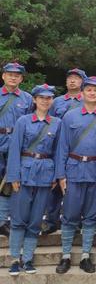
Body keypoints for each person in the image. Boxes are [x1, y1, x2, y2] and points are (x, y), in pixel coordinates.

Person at [55, 76, 96, 274]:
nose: (92, 93)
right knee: (70, 215)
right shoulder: (70, 117)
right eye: (89, 89)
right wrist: (60, 174)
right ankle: (65, 256)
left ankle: (86, 256)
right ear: (83, 92)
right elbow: (62, 147)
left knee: (91, 216)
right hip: (73, 170)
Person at [6, 85, 60, 276]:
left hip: (45, 174)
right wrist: (13, 176)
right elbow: (14, 149)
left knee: (36, 219)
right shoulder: (23, 121)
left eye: (49, 98)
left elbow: (59, 152)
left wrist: (56, 175)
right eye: (41, 98)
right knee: (18, 219)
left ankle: (27, 259)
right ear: (35, 100)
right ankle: (14, 258)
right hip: (24, 172)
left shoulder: (56, 123)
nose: (45, 101)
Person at [43, 67, 87, 235]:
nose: (72, 81)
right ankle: (51, 220)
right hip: (56, 147)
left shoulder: (87, 101)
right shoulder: (57, 102)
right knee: (55, 185)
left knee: (75, 187)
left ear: (82, 81)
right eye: (70, 78)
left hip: (77, 148)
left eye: (76, 78)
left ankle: (74, 221)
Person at [0, 62, 33, 237]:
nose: (13, 77)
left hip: (17, 147)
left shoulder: (27, 99)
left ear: (21, 78)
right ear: (3, 76)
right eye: (9, 74)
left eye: (17, 75)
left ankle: (4, 221)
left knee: (9, 184)